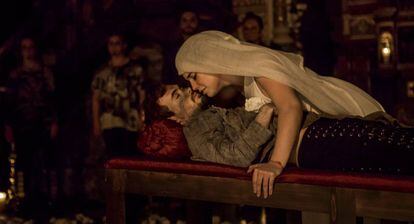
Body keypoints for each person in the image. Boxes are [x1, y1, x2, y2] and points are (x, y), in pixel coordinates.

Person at [174, 30, 391, 198]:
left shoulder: (258, 68)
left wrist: (275, 163)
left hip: (344, 113)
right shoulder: (242, 86)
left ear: (209, 60)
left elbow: (290, 107)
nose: (193, 86)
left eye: (193, 75)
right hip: (323, 139)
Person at [146, 84, 413, 199]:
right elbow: (235, 155)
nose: (187, 91)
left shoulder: (212, 110)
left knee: (392, 145)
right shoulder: (194, 131)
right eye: (178, 98)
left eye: (179, 89)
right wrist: (265, 115)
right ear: (177, 120)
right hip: (309, 144)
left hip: (311, 132)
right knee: (391, 146)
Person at [5, 37, 58, 218]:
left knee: (45, 163)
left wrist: (54, 122)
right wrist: (9, 126)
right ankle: (26, 202)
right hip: (22, 126)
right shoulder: (15, 76)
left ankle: (46, 202)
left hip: (42, 125)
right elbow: (9, 103)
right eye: (24, 48)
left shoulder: (45, 73)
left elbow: (53, 100)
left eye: (31, 47)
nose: (28, 51)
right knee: (25, 165)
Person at [91, 33, 145, 158]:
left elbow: (142, 95)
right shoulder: (102, 72)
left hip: (130, 121)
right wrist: (96, 122)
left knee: (130, 156)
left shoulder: (136, 69)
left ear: (124, 45)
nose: (114, 47)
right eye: (111, 43)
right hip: (110, 121)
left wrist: (142, 119)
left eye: (117, 43)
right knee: (113, 156)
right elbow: (96, 98)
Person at [162, 9, 199, 84]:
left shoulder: (204, 45)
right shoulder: (172, 48)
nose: (188, 24)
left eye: (192, 20)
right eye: (184, 21)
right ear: (179, 23)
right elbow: (167, 73)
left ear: (197, 22)